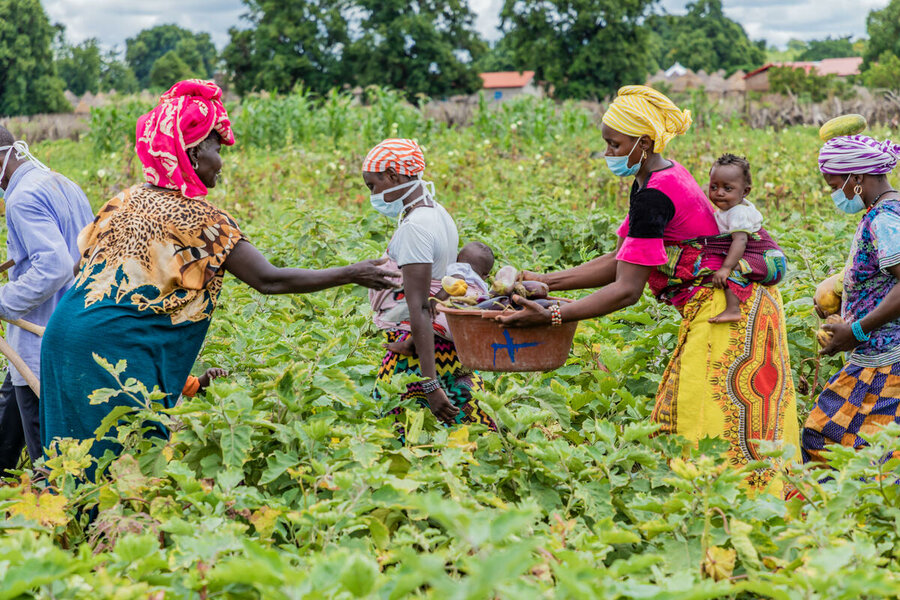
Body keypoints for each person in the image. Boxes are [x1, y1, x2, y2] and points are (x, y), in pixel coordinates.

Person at [40, 80, 398, 462]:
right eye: (215, 147)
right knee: (129, 463)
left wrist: (190, 383)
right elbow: (269, 280)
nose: (221, 161)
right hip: (112, 354)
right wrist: (351, 273)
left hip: (64, 337)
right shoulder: (204, 222)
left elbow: (87, 268)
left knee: (73, 465)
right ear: (192, 154)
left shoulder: (124, 199)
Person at [498, 86, 799, 495]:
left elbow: (626, 289)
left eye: (613, 143)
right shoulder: (656, 178)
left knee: (713, 426)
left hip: (729, 310)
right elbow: (622, 257)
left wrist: (553, 315)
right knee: (690, 415)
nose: (607, 152)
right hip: (726, 307)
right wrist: (544, 281)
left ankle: (744, 523)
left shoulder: (655, 193)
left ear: (643, 143)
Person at [364, 139, 494, 429]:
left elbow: (420, 307)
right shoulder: (437, 212)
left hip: (420, 357)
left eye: (373, 186)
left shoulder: (416, 228)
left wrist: (429, 385)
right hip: (441, 347)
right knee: (467, 430)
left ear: (393, 176)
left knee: (390, 436)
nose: (372, 195)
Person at [0, 127, 94, 475]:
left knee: (52, 466)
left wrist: (3, 300)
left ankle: (55, 520)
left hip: (41, 347)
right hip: (73, 331)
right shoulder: (60, 182)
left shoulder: (22, 198)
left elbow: (53, 267)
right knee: (8, 420)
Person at [805, 134, 900, 464]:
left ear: (857, 178)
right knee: (829, 437)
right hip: (874, 354)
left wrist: (856, 330)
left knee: (846, 447)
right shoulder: (885, 211)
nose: (835, 194)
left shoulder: (886, 219)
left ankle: (864, 512)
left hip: (888, 358)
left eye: (834, 185)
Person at [381, 240, 494, 356]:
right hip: (470, 327)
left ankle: (409, 345)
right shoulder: (483, 286)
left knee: (426, 318)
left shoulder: (461, 268)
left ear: (457, 258)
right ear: (486, 275)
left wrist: (435, 300)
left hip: (453, 315)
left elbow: (455, 283)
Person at [707, 154, 766, 323]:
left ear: (745, 191)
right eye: (714, 187)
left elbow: (740, 241)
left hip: (764, 259)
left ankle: (733, 309)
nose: (719, 193)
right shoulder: (727, 211)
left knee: (733, 270)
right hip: (753, 256)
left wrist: (726, 267)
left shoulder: (738, 212)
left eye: (727, 188)